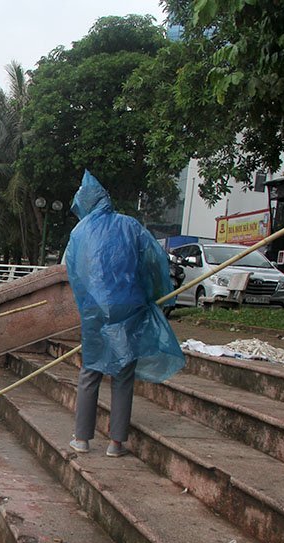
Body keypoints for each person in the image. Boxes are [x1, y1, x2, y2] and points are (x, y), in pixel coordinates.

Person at [64, 170, 184, 457]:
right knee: (123, 372)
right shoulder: (130, 226)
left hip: (95, 311)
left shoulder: (79, 233)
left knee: (90, 370)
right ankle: (116, 443)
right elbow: (154, 261)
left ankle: (81, 439)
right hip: (129, 306)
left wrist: (89, 305)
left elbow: (73, 273)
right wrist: (153, 294)